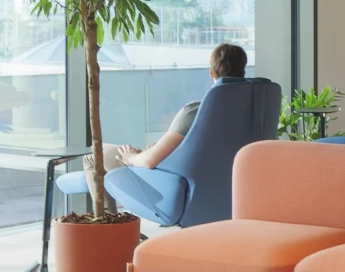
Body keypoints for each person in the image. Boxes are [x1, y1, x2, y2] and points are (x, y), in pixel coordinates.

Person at [83, 42, 248, 207]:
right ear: (243, 72)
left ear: (211, 72)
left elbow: (149, 162)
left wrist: (131, 157)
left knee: (92, 157)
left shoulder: (196, 112)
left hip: (167, 179)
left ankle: (107, 221)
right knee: (102, 147)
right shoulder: (251, 111)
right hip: (225, 189)